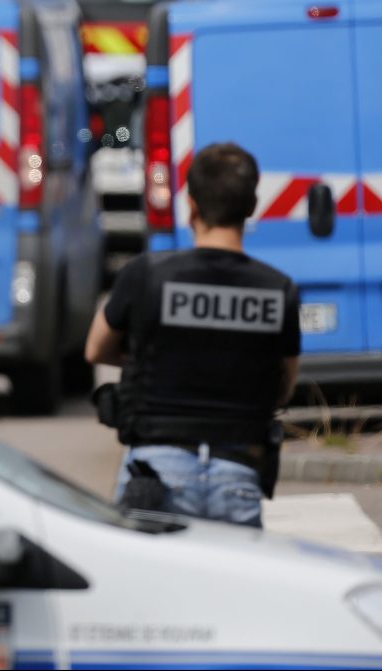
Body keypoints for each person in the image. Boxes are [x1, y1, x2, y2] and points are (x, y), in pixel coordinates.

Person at [85, 142, 300, 528]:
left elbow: (96, 349)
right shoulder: (277, 289)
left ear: (191, 206)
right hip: (238, 470)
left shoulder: (145, 274)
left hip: (156, 469)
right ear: (251, 207)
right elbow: (283, 387)